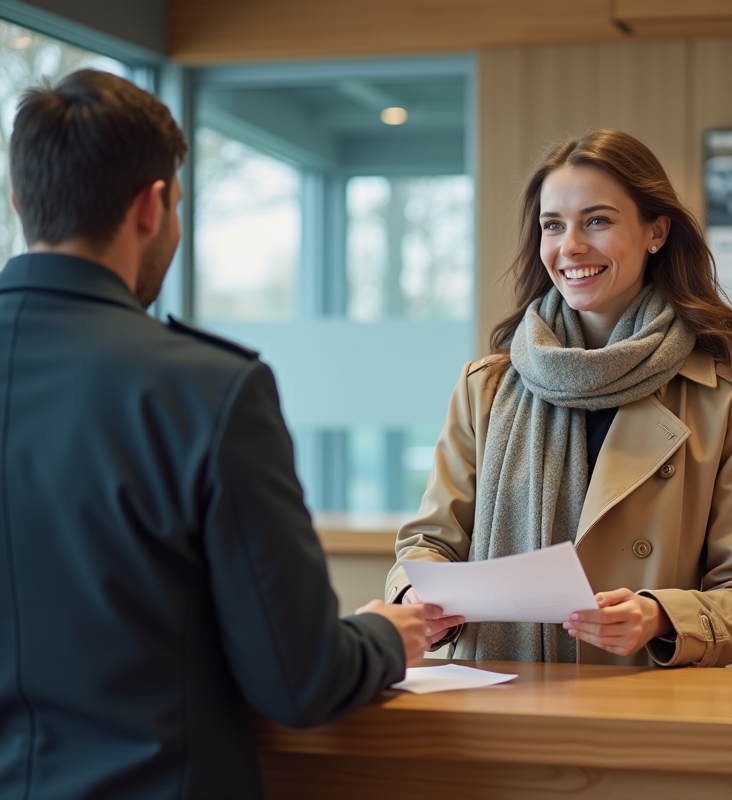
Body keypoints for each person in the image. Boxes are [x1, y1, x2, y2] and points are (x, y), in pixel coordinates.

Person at [0, 70, 461, 799]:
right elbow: (298, 679)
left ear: (22, 203)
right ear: (153, 207)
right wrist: (382, 637)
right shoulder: (207, 390)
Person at [385, 129, 732, 668]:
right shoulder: (486, 386)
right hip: (495, 698)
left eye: (597, 220)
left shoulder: (728, 398)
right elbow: (427, 547)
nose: (570, 246)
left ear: (656, 232)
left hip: (637, 707)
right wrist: (412, 597)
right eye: (553, 225)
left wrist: (660, 616)